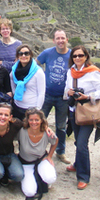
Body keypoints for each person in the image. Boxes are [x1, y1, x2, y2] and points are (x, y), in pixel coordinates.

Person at [64, 45, 100, 190]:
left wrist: (88, 96)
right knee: (78, 141)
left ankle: (83, 176)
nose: (77, 58)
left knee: (82, 143)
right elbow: (65, 89)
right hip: (73, 111)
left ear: (86, 57)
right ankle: (77, 164)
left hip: (88, 112)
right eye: (75, 56)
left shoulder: (93, 73)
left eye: (80, 55)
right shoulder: (70, 72)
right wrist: (69, 92)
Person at [37, 29, 71, 164]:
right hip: (46, 95)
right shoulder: (47, 53)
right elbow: (35, 64)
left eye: (63, 38)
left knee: (61, 126)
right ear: (54, 40)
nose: (60, 41)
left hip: (63, 98)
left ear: (67, 39)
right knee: (39, 123)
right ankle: (38, 150)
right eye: (58, 38)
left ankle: (60, 152)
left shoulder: (72, 55)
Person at [18, 108, 58, 200]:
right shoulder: (21, 131)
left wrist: (50, 156)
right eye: (31, 120)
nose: (34, 122)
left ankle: (40, 176)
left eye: (37, 120)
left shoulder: (46, 131)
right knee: (30, 192)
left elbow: (55, 141)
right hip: (25, 163)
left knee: (50, 178)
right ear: (27, 120)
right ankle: (30, 178)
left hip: (41, 160)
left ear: (41, 120)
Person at [10, 45, 46, 120]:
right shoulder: (14, 70)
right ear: (17, 56)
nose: (23, 56)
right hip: (17, 106)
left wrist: (37, 110)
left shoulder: (38, 72)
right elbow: (12, 84)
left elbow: (41, 93)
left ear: (30, 55)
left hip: (31, 109)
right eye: (21, 53)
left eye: (26, 53)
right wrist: (15, 95)